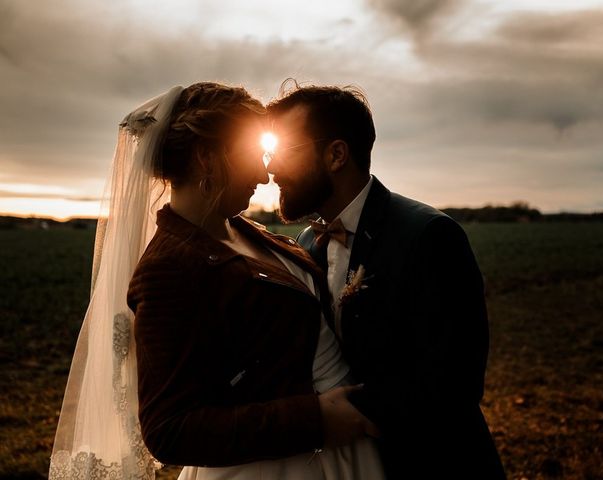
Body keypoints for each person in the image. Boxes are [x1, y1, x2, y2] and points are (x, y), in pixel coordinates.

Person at [50, 82, 385, 480]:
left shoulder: (243, 230)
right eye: (251, 155)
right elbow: (169, 429)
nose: (264, 174)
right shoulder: (169, 269)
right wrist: (316, 418)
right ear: (208, 158)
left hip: (336, 455)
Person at [266, 82, 507, 479]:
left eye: (284, 152)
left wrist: (347, 414)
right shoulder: (308, 242)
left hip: (432, 463)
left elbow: (455, 383)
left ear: (336, 154)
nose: (272, 168)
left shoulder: (429, 235)